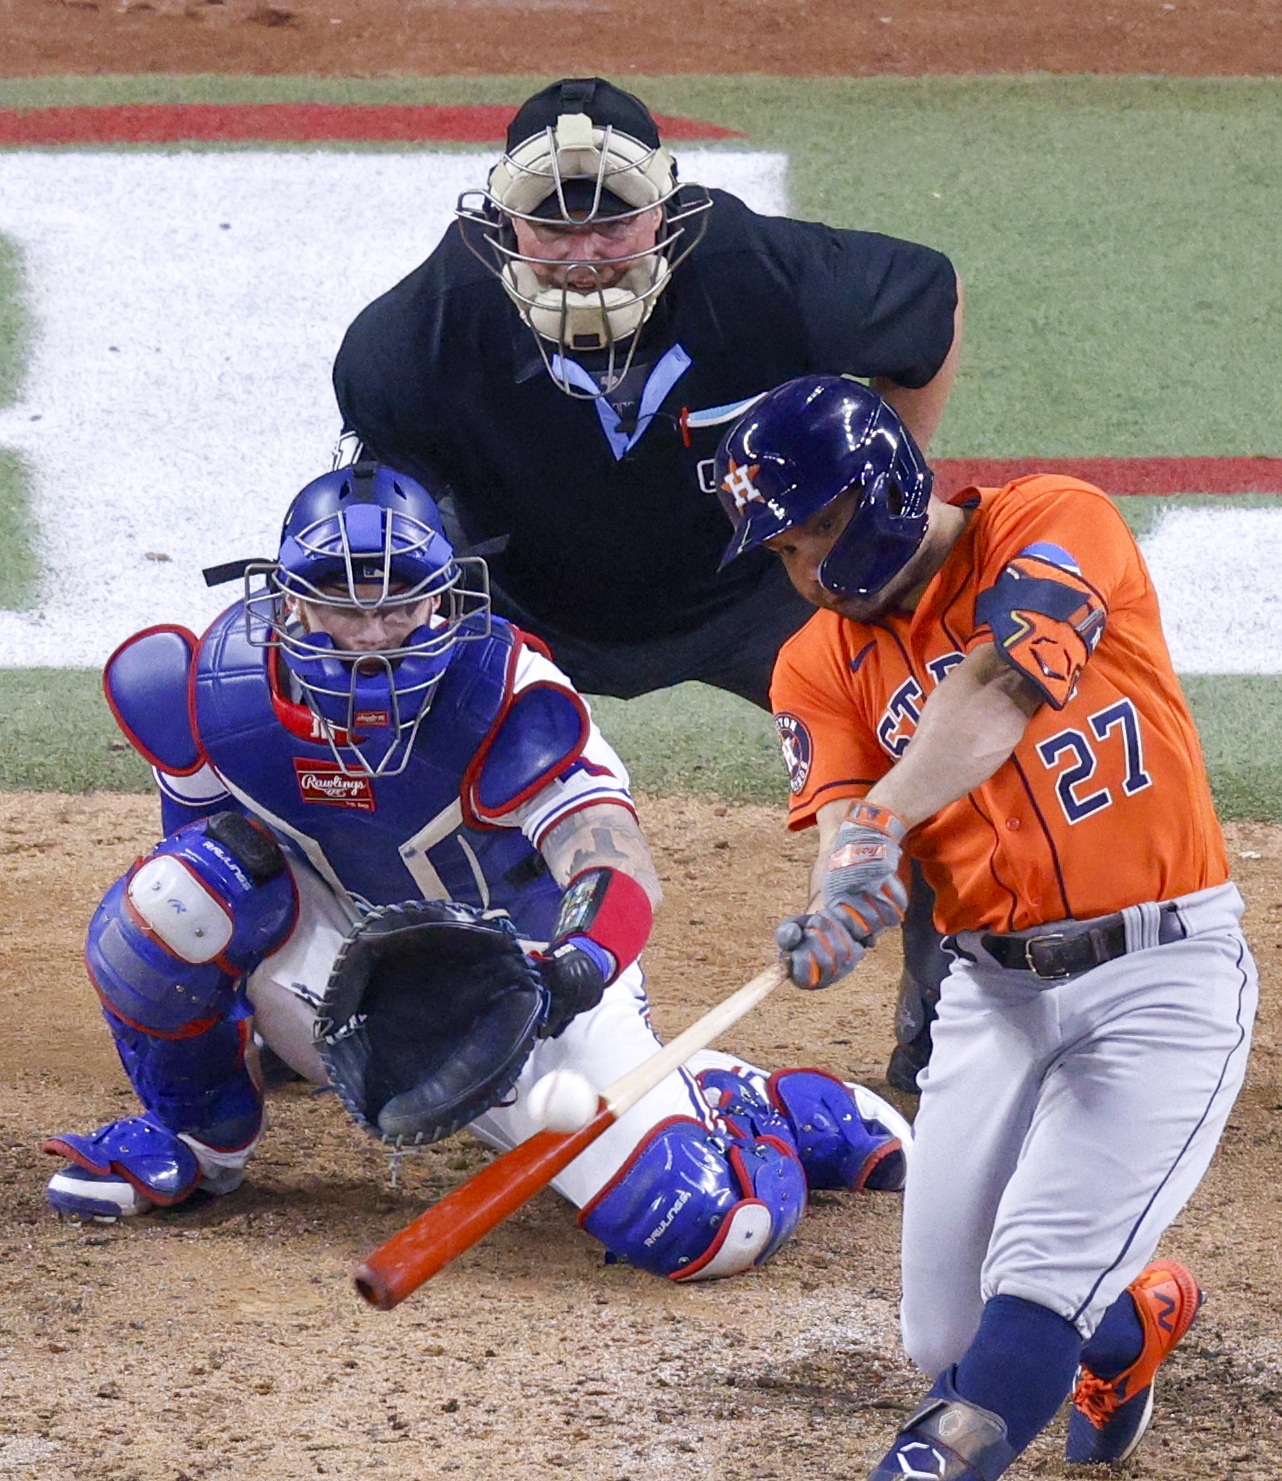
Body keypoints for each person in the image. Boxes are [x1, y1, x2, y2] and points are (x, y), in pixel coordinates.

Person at [42, 462, 911, 1288]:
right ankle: (193, 1140)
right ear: (290, 602)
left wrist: (574, 966)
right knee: (172, 899)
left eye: (403, 605)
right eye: (347, 603)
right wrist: (272, 1019)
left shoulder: (510, 698)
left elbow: (612, 861)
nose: (376, 634)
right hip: (344, 966)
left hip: (523, 987)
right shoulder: (192, 688)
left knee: (704, 1232)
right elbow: (210, 854)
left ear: (444, 599)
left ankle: (757, 1104)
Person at [695, 378, 1258, 1481]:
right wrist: (843, 887)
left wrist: (882, 819)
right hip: (993, 996)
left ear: (883, 487)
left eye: (809, 530)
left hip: (1161, 977)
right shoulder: (813, 664)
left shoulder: (1055, 523)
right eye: (781, 550)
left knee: (1029, 1291)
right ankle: (1128, 1320)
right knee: (944, 1335)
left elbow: (1002, 687)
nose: (801, 568)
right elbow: (848, 816)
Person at [334, 74, 966, 1088]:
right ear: (501, 224)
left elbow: (926, 305)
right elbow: (390, 523)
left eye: (612, 221)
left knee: (928, 736)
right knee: (371, 744)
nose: (583, 253)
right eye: (550, 224)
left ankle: (953, 1013)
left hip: (753, 589)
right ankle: (359, 998)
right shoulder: (413, 338)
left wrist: (878, 514)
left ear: (664, 210)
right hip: (525, 601)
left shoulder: (756, 267)